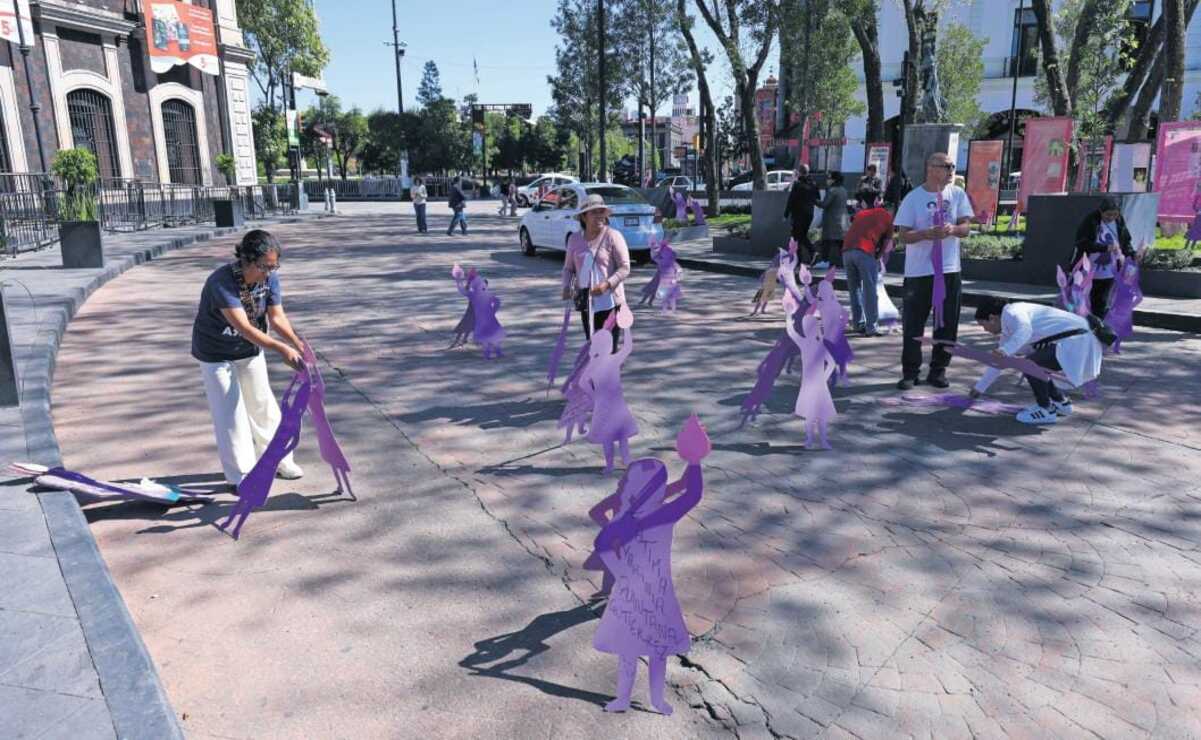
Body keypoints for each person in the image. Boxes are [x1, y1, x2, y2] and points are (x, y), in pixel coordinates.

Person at [191, 230, 305, 488]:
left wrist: (297, 343)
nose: (269, 272)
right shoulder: (221, 282)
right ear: (247, 260)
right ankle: (242, 475)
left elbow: (276, 318)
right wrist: (281, 349)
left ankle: (280, 461)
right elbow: (244, 328)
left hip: (249, 351)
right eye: (265, 266)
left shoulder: (270, 279)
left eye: (274, 267)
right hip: (216, 353)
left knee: (263, 406)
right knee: (231, 414)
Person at [894, 151, 975, 390]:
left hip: (949, 270)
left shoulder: (957, 194)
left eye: (952, 166)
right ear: (931, 168)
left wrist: (952, 230)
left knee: (947, 324)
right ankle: (910, 373)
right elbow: (903, 235)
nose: (951, 171)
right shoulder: (913, 198)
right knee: (913, 324)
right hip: (919, 273)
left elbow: (966, 227)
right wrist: (925, 234)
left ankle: (938, 371)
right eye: (946, 166)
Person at [970, 296, 1104, 426]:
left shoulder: (1013, 312)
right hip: (1076, 342)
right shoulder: (1008, 330)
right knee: (1036, 364)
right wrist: (979, 388)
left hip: (1078, 341)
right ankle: (1061, 403)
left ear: (992, 318)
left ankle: (1045, 409)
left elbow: (1025, 330)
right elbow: (998, 362)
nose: (985, 330)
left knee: (1030, 364)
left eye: (983, 324)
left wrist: (1005, 350)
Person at [561, 194, 631, 353]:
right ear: (584, 217)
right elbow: (568, 268)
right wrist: (566, 286)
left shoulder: (613, 236)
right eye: (594, 212)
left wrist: (607, 284)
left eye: (601, 212)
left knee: (608, 350)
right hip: (587, 303)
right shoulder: (574, 239)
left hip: (610, 304)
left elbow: (625, 267)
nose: (599, 216)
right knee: (593, 348)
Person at [841, 188, 894, 336]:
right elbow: (887, 242)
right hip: (864, 251)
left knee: (854, 289)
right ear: (878, 200)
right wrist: (878, 257)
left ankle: (858, 324)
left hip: (846, 251)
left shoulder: (860, 214)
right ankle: (871, 327)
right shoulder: (886, 215)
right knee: (870, 290)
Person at [1072, 197, 1135, 318]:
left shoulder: (1119, 220)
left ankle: (1098, 329)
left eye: (1115, 214)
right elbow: (1081, 243)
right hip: (1087, 270)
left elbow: (1125, 242)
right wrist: (1104, 248)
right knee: (1082, 302)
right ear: (1101, 211)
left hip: (1109, 271)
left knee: (1101, 302)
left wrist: (1132, 253)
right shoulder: (1091, 220)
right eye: (1108, 215)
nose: (1111, 218)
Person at [783, 164, 820, 263]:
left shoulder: (797, 184)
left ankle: (807, 255)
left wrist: (786, 214)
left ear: (799, 172)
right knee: (801, 235)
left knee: (797, 237)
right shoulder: (813, 184)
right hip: (809, 214)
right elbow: (818, 197)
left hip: (798, 214)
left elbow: (791, 200)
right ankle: (802, 258)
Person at [814, 171, 848, 269]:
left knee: (827, 241)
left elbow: (824, 204)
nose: (827, 180)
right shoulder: (843, 190)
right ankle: (843, 262)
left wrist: (814, 200)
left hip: (832, 219)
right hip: (842, 219)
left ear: (834, 179)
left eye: (829, 178)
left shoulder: (832, 191)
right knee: (840, 242)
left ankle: (825, 260)